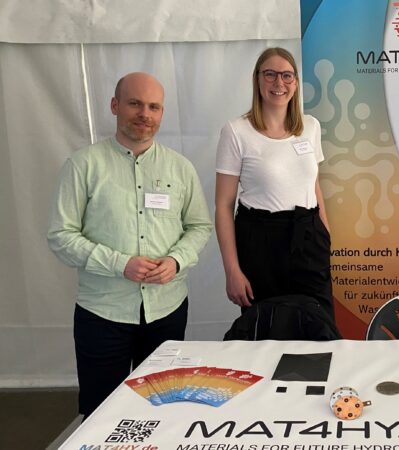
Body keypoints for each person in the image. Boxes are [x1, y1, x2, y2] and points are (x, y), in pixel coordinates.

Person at [47, 72, 212, 417]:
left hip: (166, 311)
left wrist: (177, 261)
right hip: (103, 313)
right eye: (135, 103)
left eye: (154, 107)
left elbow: (199, 227)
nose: (145, 114)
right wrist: (118, 263)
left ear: (162, 113)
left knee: (165, 408)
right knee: (101, 412)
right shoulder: (83, 165)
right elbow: (61, 236)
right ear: (115, 105)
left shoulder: (180, 168)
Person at [215, 47, 334, 323]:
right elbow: (223, 206)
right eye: (270, 74)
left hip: (308, 235)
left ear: (295, 82)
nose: (279, 83)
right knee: (266, 328)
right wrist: (231, 270)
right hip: (260, 242)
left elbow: (314, 185)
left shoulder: (311, 126)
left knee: (318, 327)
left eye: (287, 75)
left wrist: (324, 233)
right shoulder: (236, 131)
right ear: (257, 79)